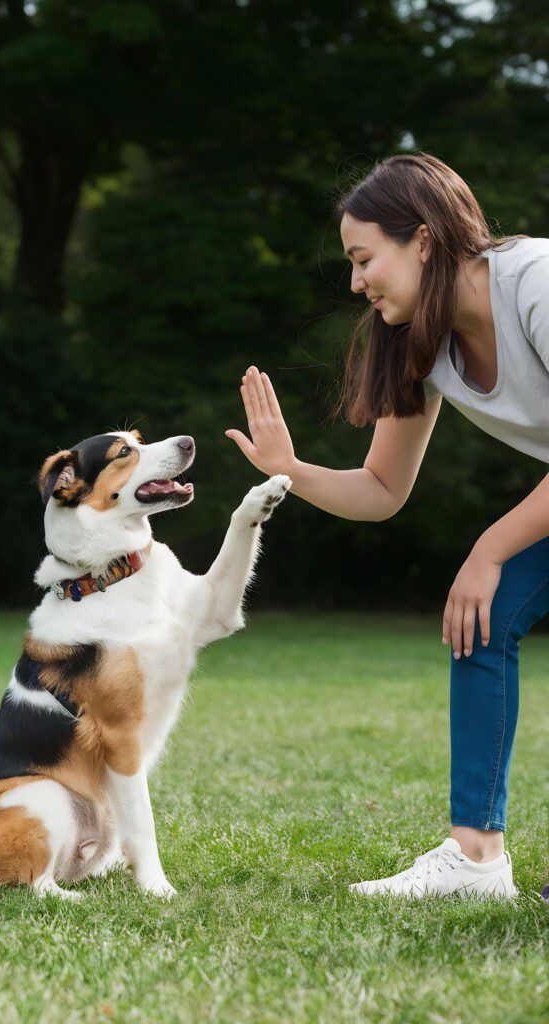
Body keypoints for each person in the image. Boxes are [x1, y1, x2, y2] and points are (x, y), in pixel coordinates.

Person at [225, 153, 549, 899]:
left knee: (487, 584)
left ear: (425, 241)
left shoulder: (531, 282)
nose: (354, 281)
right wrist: (292, 469)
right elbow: (380, 489)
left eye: (363, 257)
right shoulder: (416, 340)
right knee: (485, 616)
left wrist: (489, 547)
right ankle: (475, 860)